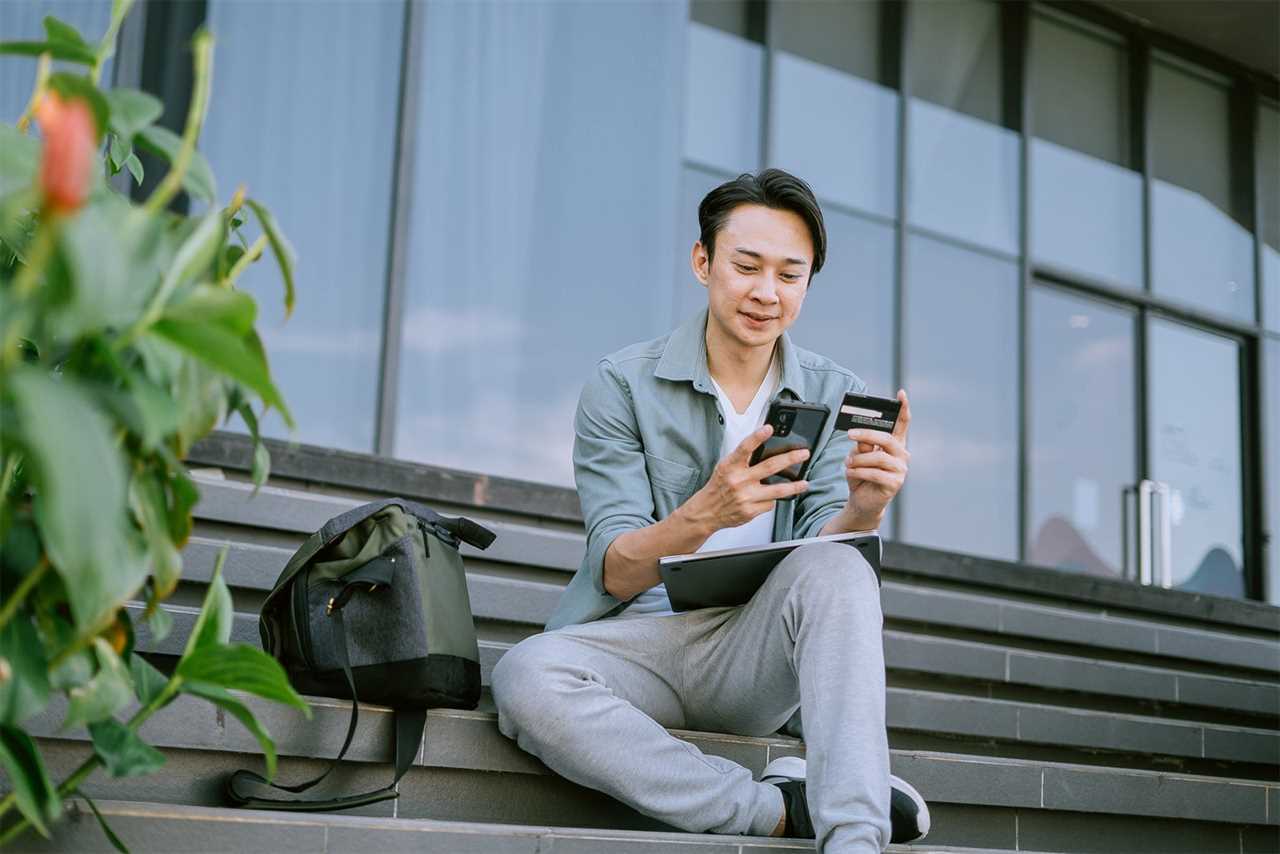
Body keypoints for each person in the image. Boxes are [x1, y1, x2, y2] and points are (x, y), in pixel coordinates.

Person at [491, 168, 929, 853]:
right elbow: (616, 572)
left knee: (843, 569)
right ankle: (776, 810)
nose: (766, 292)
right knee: (525, 673)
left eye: (790, 275)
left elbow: (822, 555)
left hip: (757, 654)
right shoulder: (623, 384)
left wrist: (865, 510)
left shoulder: (834, 391)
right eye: (746, 266)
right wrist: (707, 513)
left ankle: (855, 837)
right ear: (703, 262)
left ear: (808, 284)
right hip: (647, 644)